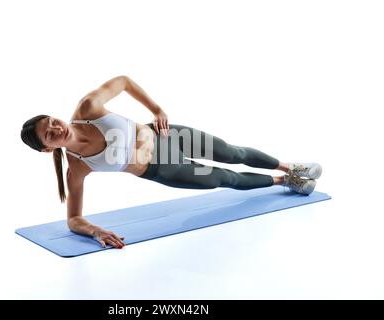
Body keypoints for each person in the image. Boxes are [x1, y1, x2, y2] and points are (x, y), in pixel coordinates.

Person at [20, 75, 322, 249]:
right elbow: (73, 219)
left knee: (233, 153)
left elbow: (123, 81)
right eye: (50, 135)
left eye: (52, 121)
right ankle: (286, 183)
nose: (57, 128)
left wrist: (157, 109)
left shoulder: (88, 107)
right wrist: (96, 231)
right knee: (225, 178)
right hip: (164, 169)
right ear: (48, 150)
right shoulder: (78, 168)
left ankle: (289, 166)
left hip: (168, 136)